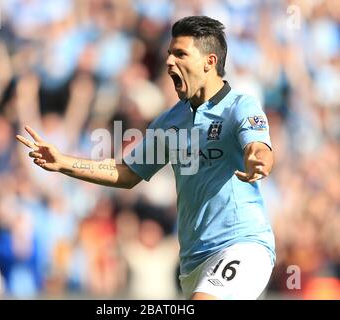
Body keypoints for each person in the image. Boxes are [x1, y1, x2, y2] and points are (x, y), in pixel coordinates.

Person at [16, 16, 275, 300]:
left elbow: (258, 147)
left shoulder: (239, 105)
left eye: (180, 54)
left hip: (243, 245)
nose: (169, 62)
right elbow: (126, 173)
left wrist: (258, 160)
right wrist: (64, 162)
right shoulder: (169, 121)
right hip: (194, 262)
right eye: (169, 54)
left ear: (209, 62)